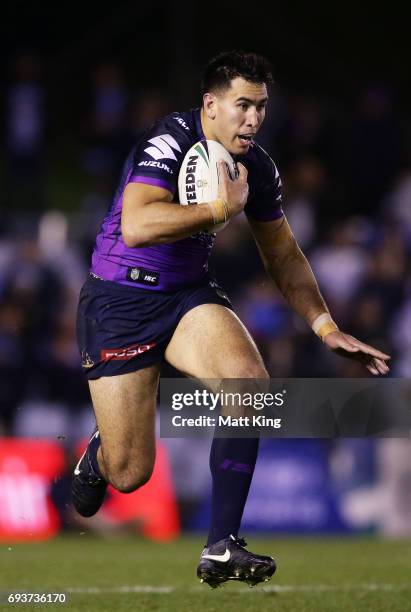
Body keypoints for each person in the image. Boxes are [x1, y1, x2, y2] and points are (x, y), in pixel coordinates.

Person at [73, 50, 390, 588]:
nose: (254, 119)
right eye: (243, 105)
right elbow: (137, 225)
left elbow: (284, 255)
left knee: (248, 384)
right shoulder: (168, 141)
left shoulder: (258, 167)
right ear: (210, 105)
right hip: (119, 301)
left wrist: (325, 326)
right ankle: (98, 457)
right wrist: (219, 211)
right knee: (131, 472)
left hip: (185, 297)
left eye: (261, 107)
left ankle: (221, 545)